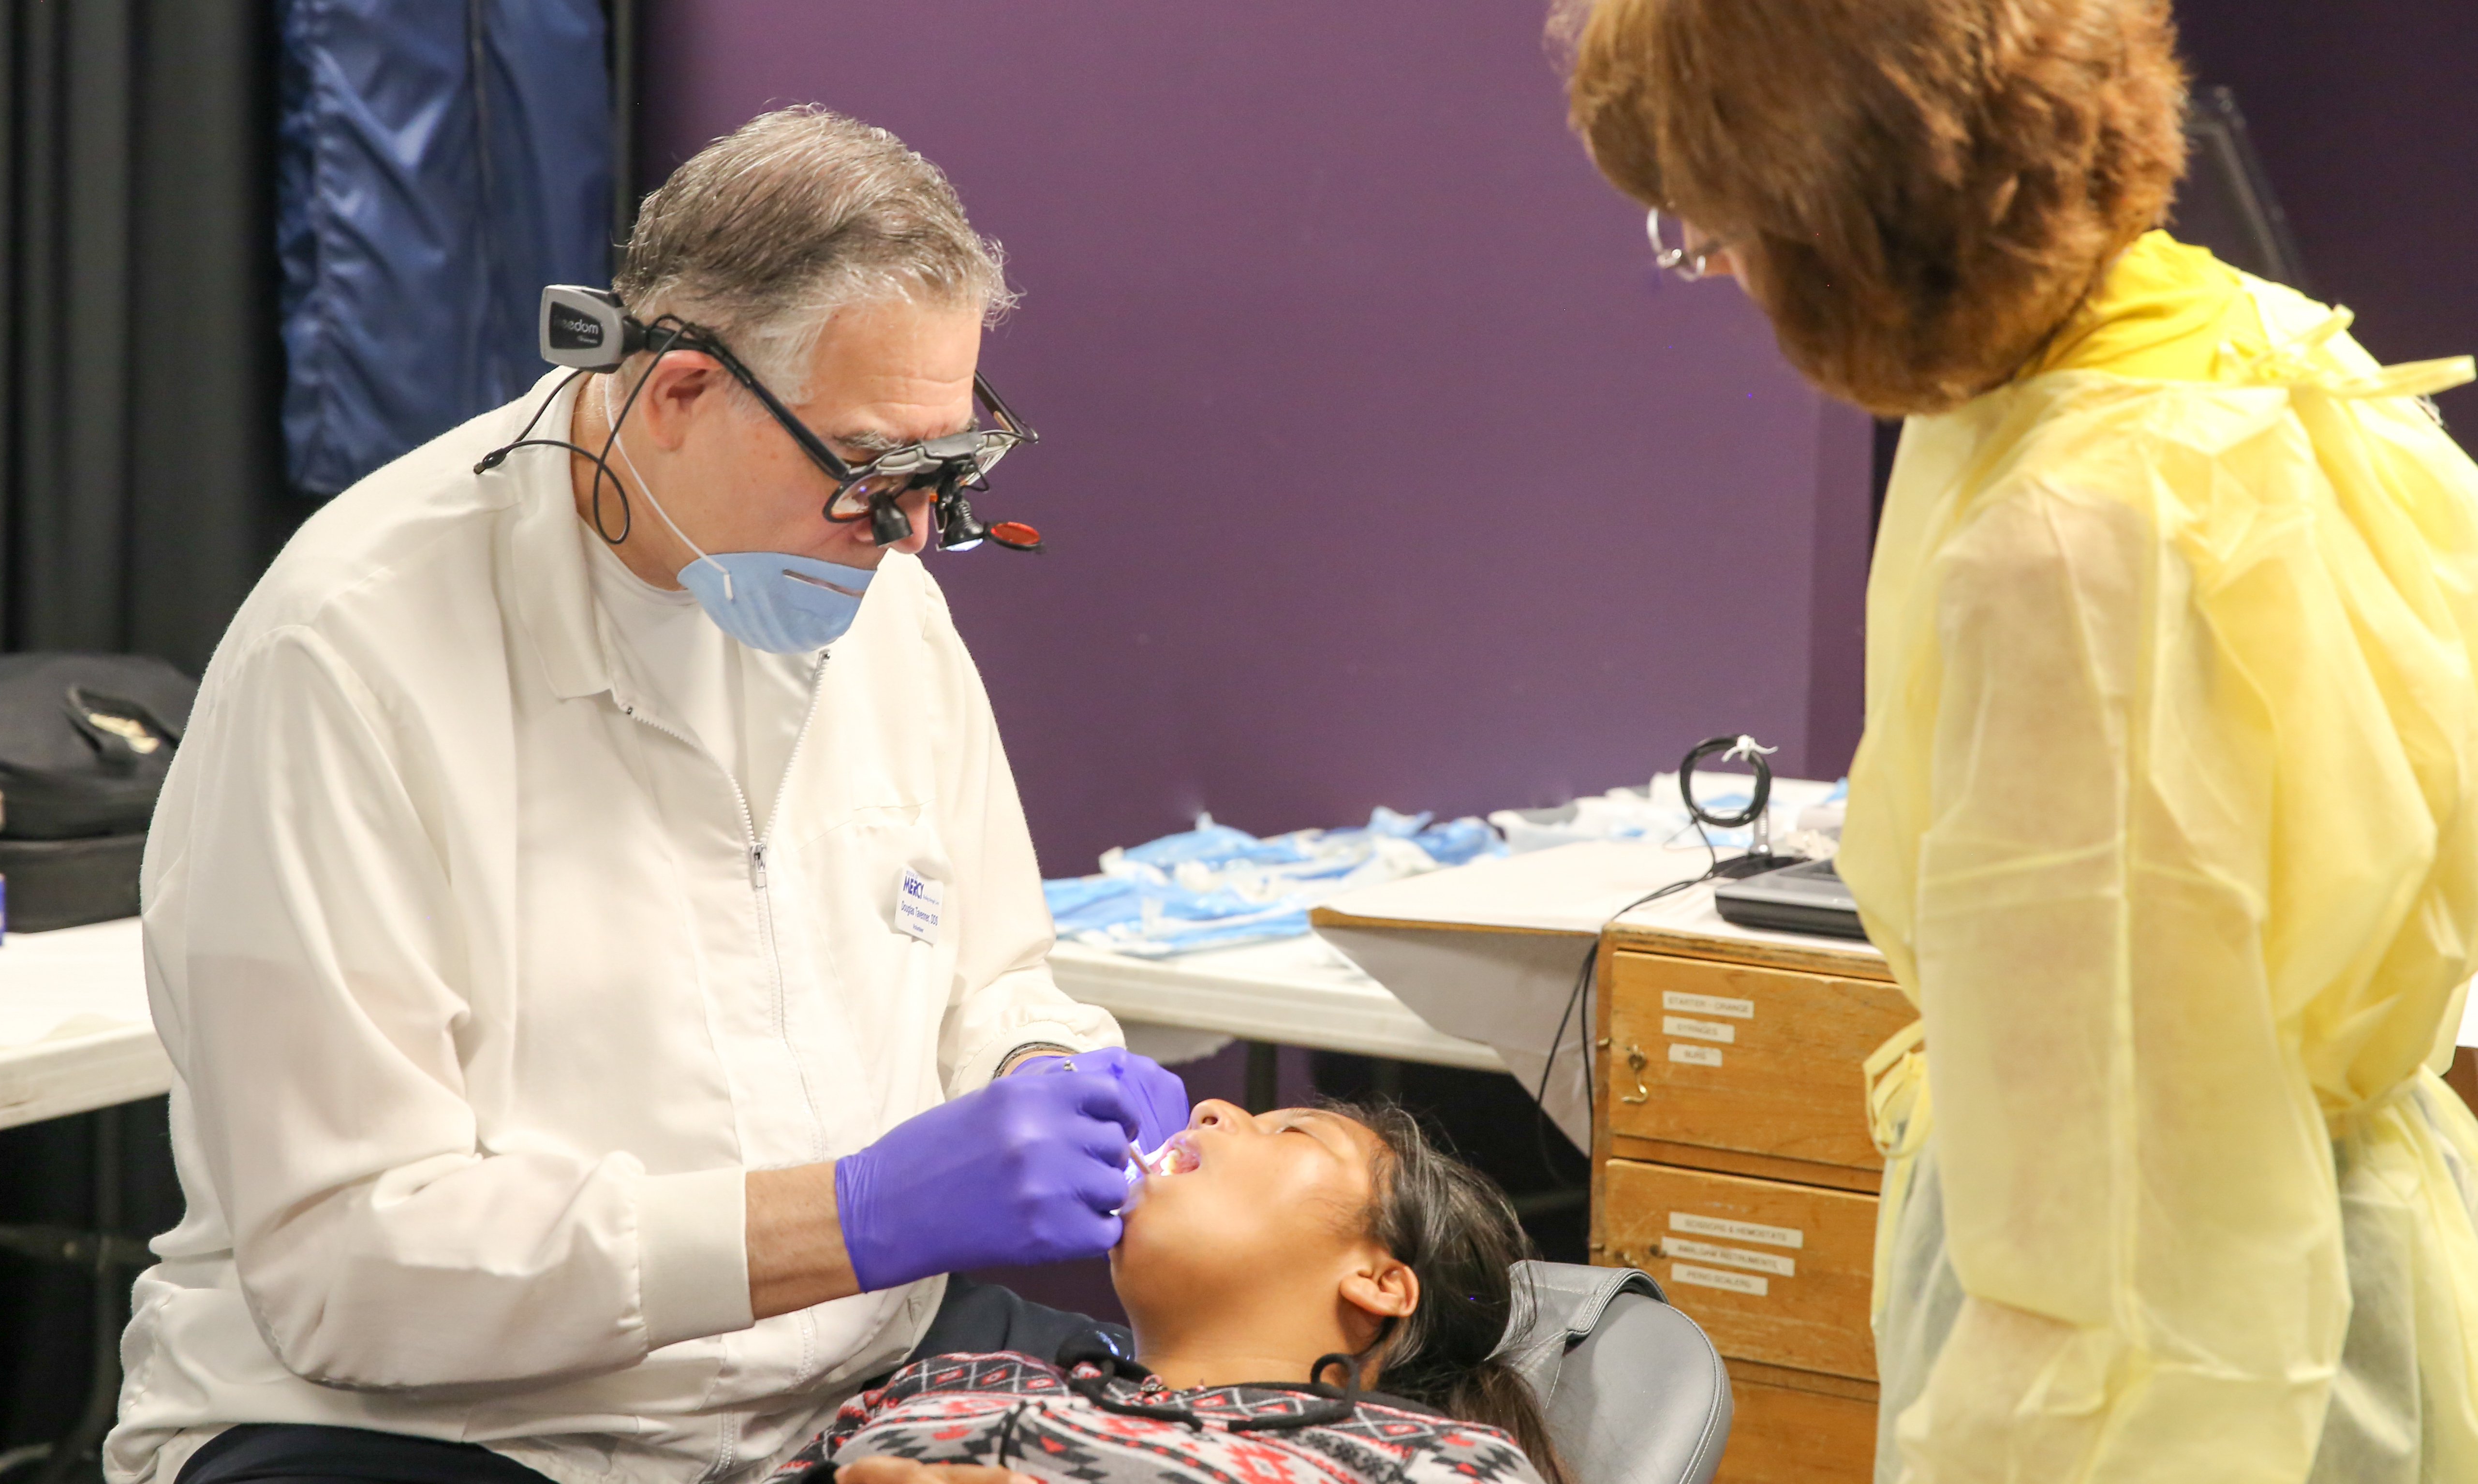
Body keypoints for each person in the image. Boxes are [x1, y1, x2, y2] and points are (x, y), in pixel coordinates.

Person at [110, 107, 1191, 1484]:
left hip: (850, 1374)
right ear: (678, 392)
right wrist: (853, 1217)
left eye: (948, 470)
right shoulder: (351, 649)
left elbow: (990, 980)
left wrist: (1047, 1075)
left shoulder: (881, 604)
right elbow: (350, 1268)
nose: (913, 532)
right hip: (451, 1423)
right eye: (871, 470)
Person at [1556, 1, 2478, 1480]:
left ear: (1838, 207)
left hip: (2196, 1336)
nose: (1713, 264)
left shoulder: (2071, 535)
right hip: (2326, 1245)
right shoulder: (2245, 339)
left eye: (1710, 219)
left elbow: (2108, 1216)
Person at [770, 1099, 1569, 1484]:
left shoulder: (1433, 1462)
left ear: (1379, 1280)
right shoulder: (952, 1377)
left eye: (1293, 1131)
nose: (1211, 1107)